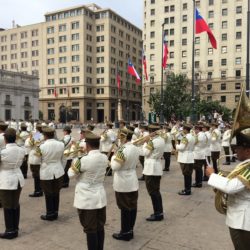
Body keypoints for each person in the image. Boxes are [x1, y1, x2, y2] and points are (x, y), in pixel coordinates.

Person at [206, 130, 250, 250]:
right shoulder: (245, 165)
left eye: (238, 148)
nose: (235, 151)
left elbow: (231, 187)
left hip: (242, 221)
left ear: (247, 150)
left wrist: (212, 175)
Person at [68, 131, 108, 250]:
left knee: (90, 229)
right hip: (100, 196)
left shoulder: (82, 160)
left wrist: (74, 161)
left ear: (88, 145)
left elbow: (70, 174)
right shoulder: (104, 157)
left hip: (87, 198)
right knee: (100, 226)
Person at [111, 128, 140, 241]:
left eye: (120, 136)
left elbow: (115, 167)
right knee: (132, 206)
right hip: (132, 179)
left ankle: (125, 232)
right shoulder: (135, 148)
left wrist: (113, 156)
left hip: (123, 181)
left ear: (123, 137)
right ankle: (130, 230)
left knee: (124, 208)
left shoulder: (122, 150)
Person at [0, 128, 26, 239]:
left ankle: (10, 231)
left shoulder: (3, 152)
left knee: (7, 205)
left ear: (5, 139)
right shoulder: (21, 150)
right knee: (15, 204)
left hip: (6, 179)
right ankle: (15, 227)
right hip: (18, 178)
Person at [39, 127, 64, 221]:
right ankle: (56, 212)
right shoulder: (61, 144)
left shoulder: (42, 146)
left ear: (45, 135)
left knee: (48, 193)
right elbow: (63, 159)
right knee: (56, 192)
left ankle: (50, 213)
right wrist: (61, 167)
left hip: (46, 171)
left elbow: (38, 160)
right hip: (58, 170)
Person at [143, 124, 165, 221]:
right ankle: (159, 212)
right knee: (156, 191)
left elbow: (145, 153)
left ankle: (158, 214)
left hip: (151, 168)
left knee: (153, 192)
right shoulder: (161, 140)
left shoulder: (152, 142)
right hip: (157, 166)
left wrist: (145, 143)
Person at [25, 124, 44, 197]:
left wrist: (30, 137)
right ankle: (40, 189)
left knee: (36, 175)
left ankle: (38, 191)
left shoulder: (37, 135)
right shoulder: (43, 135)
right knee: (38, 174)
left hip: (35, 157)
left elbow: (28, 144)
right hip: (40, 156)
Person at [176, 124, 195, 195]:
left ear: (185, 130)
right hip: (190, 156)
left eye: (183, 129)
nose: (183, 130)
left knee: (186, 175)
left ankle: (187, 190)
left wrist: (176, 146)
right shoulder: (192, 136)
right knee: (188, 175)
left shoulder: (185, 137)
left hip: (185, 158)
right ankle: (188, 189)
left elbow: (181, 147)